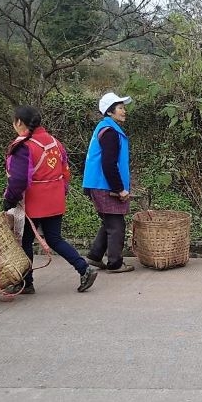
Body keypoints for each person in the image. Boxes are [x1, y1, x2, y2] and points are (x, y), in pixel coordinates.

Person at [2, 106, 97, 293]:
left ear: (19, 122)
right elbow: (65, 171)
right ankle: (84, 268)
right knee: (54, 238)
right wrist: (61, 191)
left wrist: (10, 199)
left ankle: (25, 282)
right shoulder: (54, 142)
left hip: (34, 202)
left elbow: (19, 179)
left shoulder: (24, 146)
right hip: (54, 198)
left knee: (25, 242)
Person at [82, 92, 135, 273]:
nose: (124, 111)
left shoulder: (107, 128)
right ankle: (115, 263)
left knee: (109, 222)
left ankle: (95, 256)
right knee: (116, 225)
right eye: (120, 108)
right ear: (110, 112)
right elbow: (108, 164)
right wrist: (119, 189)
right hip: (103, 185)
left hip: (98, 184)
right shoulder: (110, 132)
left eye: (123, 107)